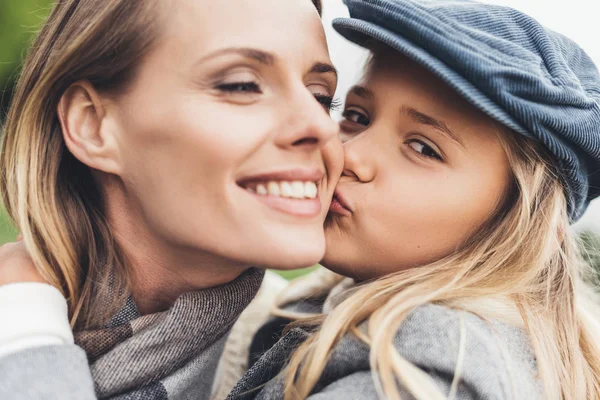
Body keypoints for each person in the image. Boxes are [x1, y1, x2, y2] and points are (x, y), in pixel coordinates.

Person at [229, 0, 600, 398]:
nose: (349, 155)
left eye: (423, 148)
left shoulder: (425, 373)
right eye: (356, 116)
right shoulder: (327, 301)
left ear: (520, 220)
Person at [0, 0, 343, 398]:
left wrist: (25, 329)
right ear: (92, 124)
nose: (320, 125)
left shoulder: (323, 360)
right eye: (242, 85)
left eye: (321, 96)